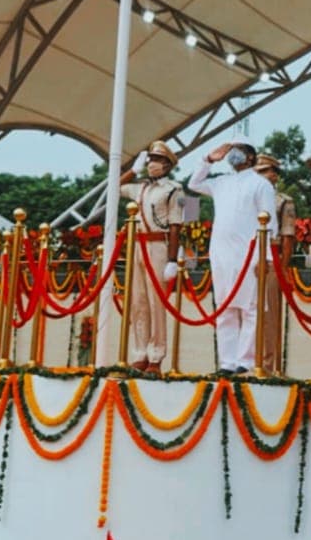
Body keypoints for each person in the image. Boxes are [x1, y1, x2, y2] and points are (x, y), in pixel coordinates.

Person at [189, 142, 276, 374]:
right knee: (225, 308)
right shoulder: (221, 182)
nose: (232, 155)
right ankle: (227, 362)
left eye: (238, 151)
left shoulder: (261, 184)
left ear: (250, 157)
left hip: (249, 255)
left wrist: (265, 257)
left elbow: (269, 224)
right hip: (221, 254)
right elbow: (193, 183)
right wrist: (209, 158)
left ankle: (244, 362)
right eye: (231, 151)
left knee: (249, 309)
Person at [118, 140, 185, 373]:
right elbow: (113, 189)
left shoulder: (174, 189)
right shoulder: (140, 187)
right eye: (151, 159)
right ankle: (140, 352)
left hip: (158, 245)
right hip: (137, 245)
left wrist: (172, 260)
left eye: (157, 160)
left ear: (167, 164)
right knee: (138, 302)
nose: (152, 164)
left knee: (157, 302)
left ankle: (156, 355)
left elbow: (176, 225)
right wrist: (133, 170)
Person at [254, 154, 298, 376]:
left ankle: (269, 365)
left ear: (274, 175)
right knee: (247, 312)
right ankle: (247, 362)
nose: (262, 176)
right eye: (259, 171)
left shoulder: (283, 201)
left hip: (272, 256)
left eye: (266, 171)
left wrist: (282, 268)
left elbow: (288, 236)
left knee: (269, 314)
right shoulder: (248, 198)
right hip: (249, 257)